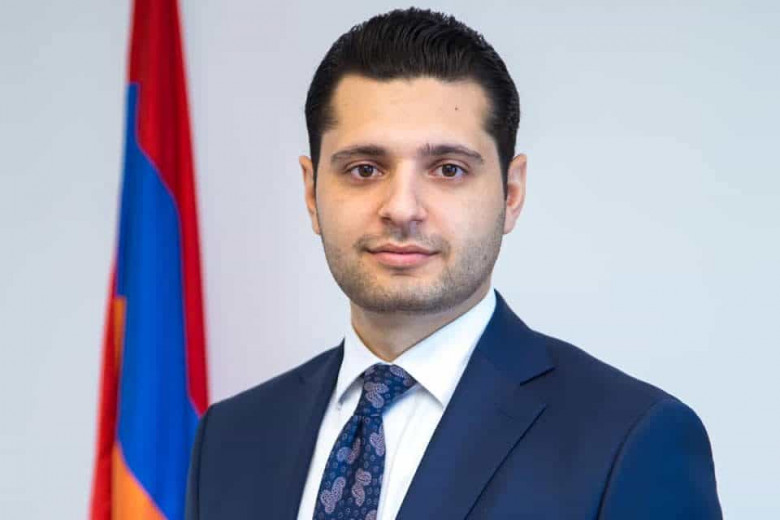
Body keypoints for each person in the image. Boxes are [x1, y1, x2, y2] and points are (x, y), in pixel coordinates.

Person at [185, 8, 721, 520]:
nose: (402, 209)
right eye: (365, 168)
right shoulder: (229, 437)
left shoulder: (629, 440)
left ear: (511, 193)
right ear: (311, 192)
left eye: (448, 169)